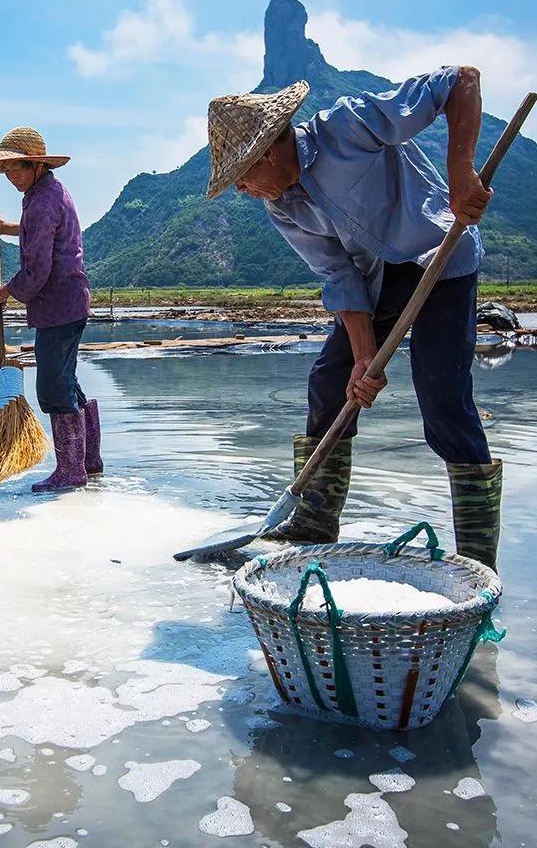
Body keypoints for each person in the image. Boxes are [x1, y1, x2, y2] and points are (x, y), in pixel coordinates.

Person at [204, 67, 502, 569]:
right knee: (331, 381)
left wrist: (461, 178)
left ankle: (477, 558)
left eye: (243, 175)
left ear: (270, 151)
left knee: (444, 400)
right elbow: (339, 274)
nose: (243, 189)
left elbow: (462, 81)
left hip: (440, 259)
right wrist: (365, 357)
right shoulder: (282, 206)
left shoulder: (347, 126)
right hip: (379, 280)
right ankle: (314, 520)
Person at [0, 126, 101, 493]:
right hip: (68, 301)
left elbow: (38, 268)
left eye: (16, 168)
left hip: (60, 302)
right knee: (66, 381)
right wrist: (6, 227)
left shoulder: (44, 199)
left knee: (51, 386)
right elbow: (36, 232)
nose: (11, 176)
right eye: (7, 171)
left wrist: (6, 292)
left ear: (36, 164)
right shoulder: (42, 193)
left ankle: (71, 471)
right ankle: (88, 462)